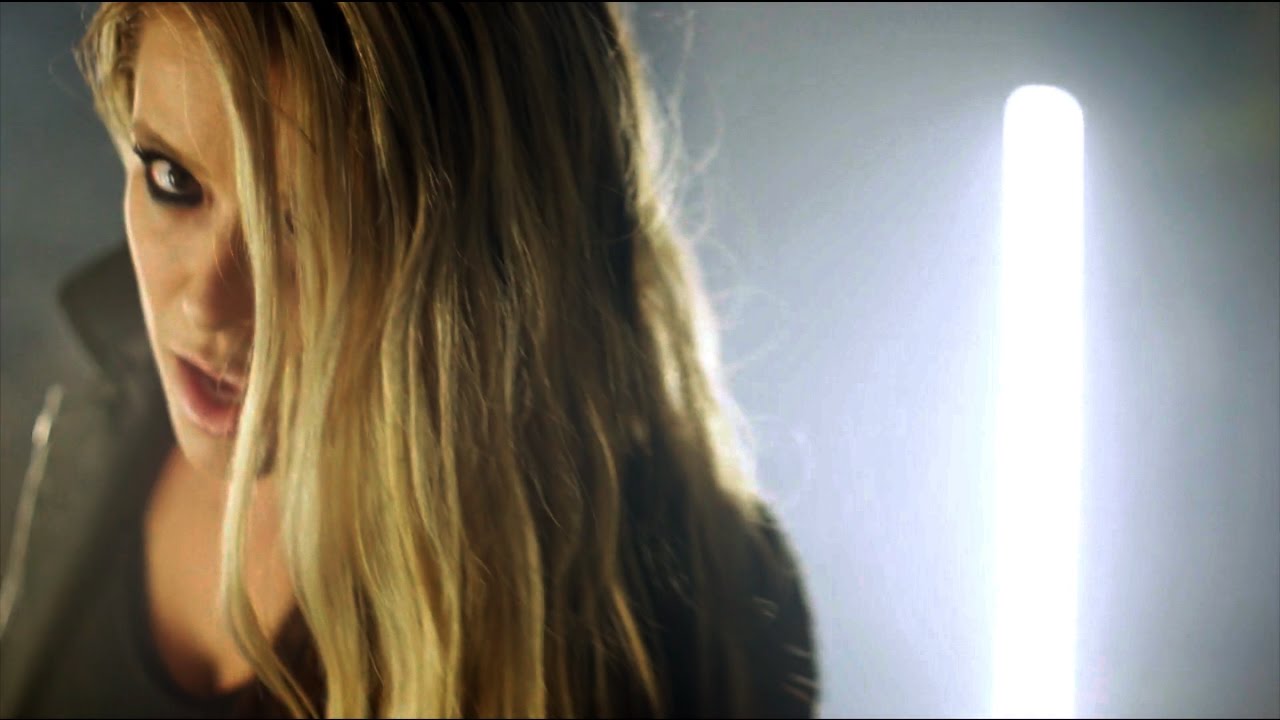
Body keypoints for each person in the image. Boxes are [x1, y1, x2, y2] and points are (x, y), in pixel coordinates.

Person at [0, 3, 819, 717]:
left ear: (503, 260)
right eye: (173, 179)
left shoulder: (677, 627)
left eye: (316, 228)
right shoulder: (91, 382)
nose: (203, 310)